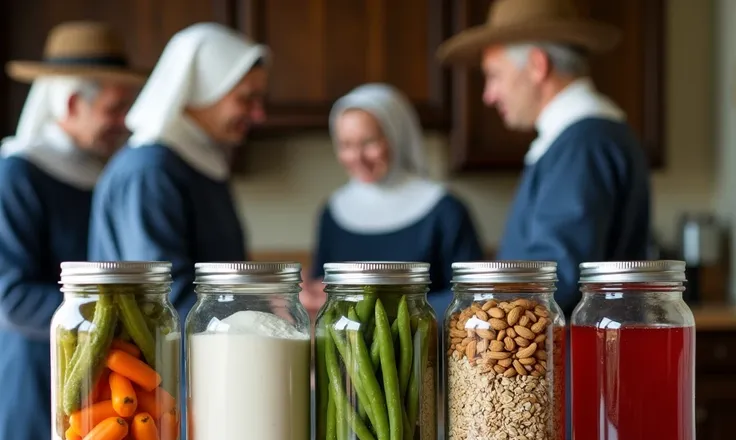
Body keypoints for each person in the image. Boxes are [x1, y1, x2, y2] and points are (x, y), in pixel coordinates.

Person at [437, 0, 651, 316]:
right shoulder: (581, 138)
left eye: (494, 75)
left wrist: (416, 309)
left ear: (537, 65)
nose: (489, 94)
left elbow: (552, 281)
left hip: (571, 362)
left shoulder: (583, 144)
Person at [0, 21, 142, 440]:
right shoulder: (18, 174)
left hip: (103, 366)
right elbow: (12, 296)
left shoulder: (108, 172)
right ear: (74, 103)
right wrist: (109, 320)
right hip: (38, 367)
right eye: (115, 109)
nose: (125, 122)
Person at [88, 23, 269, 320]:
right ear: (201, 91)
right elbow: (164, 298)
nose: (259, 114)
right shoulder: (149, 171)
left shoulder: (198, 162)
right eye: (246, 98)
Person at [302, 83, 483, 317]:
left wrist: (383, 310)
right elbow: (324, 290)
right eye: (346, 144)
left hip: (424, 348)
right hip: (347, 350)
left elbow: (470, 297)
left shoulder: (445, 210)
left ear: (397, 136)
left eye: (368, 142)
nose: (357, 157)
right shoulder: (332, 212)